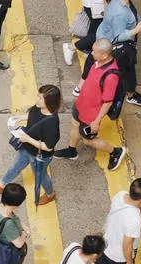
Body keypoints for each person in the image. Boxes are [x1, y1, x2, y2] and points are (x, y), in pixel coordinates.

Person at [51, 39, 126, 171]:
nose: (91, 53)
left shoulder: (111, 77)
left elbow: (108, 102)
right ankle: (71, 150)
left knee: (87, 140)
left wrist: (96, 121)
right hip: (81, 104)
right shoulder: (96, 62)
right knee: (75, 124)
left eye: (95, 52)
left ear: (104, 55)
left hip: (91, 114)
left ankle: (115, 151)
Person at [0, 85, 61, 204]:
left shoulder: (51, 123)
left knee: (41, 176)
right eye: (37, 96)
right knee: (15, 166)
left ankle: (50, 194)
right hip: (26, 148)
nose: (36, 100)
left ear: (49, 102)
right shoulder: (38, 107)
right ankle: (1, 185)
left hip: (40, 156)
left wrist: (28, 139)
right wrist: (21, 118)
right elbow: (33, 115)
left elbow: (48, 147)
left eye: (40, 98)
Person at [92, 0, 141, 107]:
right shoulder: (120, 12)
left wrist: (139, 21)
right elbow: (118, 36)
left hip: (107, 38)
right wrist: (137, 29)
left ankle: (127, 92)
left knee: (123, 68)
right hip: (116, 45)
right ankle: (129, 94)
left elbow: (131, 13)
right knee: (126, 68)